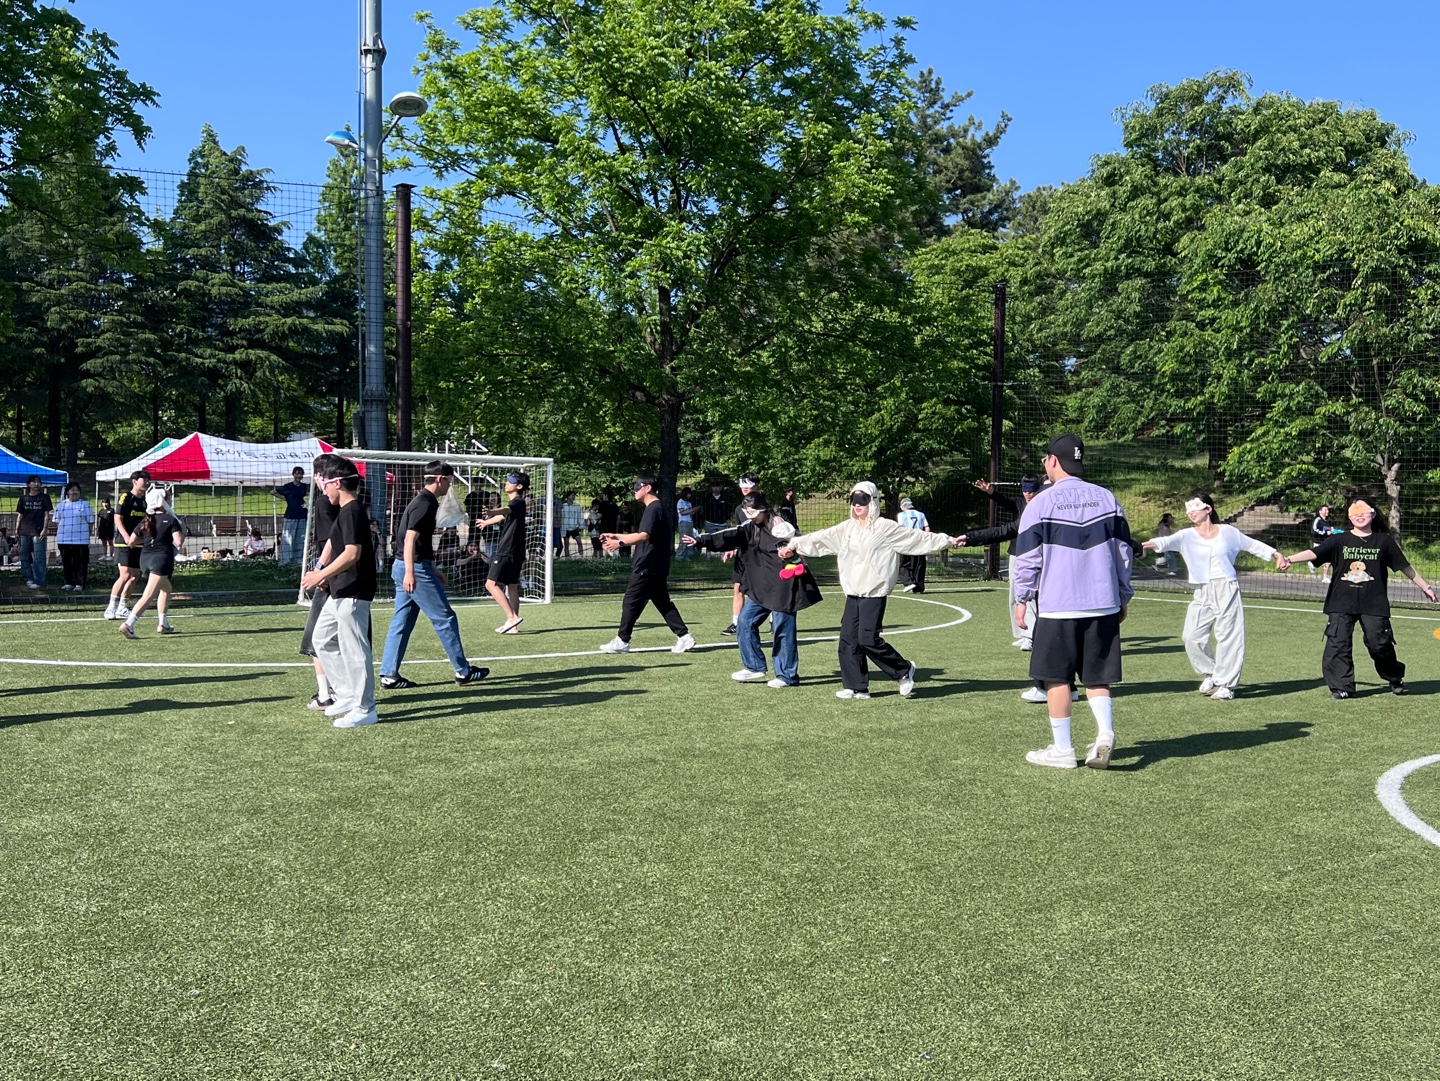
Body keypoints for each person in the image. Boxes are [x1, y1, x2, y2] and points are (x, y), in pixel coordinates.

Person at [1013, 434, 1132, 770]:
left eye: (1045, 459)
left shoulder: (1041, 503)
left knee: (1057, 678)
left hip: (1058, 605)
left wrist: (1022, 598)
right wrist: (1123, 594)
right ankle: (1105, 732)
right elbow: (1124, 552)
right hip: (1103, 602)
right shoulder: (1107, 498)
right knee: (1097, 677)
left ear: (1053, 461)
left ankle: (1063, 750)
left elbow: (1027, 558)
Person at [781, 481, 957, 699]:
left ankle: (903, 670)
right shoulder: (847, 528)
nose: (857, 505)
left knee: (867, 640)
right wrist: (794, 545)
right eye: (854, 501)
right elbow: (821, 538)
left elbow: (917, 538)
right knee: (848, 640)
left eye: (862, 501)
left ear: (872, 502)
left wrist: (947, 541)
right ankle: (856, 686)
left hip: (874, 591)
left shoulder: (885, 528)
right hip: (853, 591)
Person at [1141, 494, 1290, 700]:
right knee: (1191, 636)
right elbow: (1163, 542)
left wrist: (1277, 555)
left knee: (1229, 636)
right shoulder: (1186, 535)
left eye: (1195, 508)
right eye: (1188, 510)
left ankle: (1227, 685)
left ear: (1208, 509)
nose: (1191, 513)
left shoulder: (1228, 532)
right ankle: (1210, 672)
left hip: (1226, 587)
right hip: (1201, 590)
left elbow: (1253, 545)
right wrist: (1140, 546)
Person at [1284, 498, 1435, 699]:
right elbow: (1314, 552)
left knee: (1379, 645)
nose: (1359, 515)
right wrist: (1289, 559)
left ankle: (1394, 676)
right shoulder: (1339, 540)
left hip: (1374, 604)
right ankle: (1342, 687)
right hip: (1340, 602)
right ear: (1349, 517)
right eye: (1355, 512)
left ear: (1373, 514)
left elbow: (1405, 567)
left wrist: (1426, 587)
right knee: (1338, 644)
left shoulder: (1384, 541)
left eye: (1363, 511)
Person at [685, 491, 820, 687]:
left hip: (784, 587)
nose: (752, 517)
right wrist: (701, 541)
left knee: (783, 629)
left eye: (754, 513)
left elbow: (798, 548)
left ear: (764, 509)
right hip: (762, 587)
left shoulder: (780, 527)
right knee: (745, 621)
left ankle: (787, 676)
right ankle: (754, 666)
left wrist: (790, 550)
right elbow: (729, 535)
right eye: (748, 513)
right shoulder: (749, 528)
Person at [379, 461, 490, 690]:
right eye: (449, 481)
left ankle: (389, 675)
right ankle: (463, 671)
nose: (450, 486)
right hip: (412, 568)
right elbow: (409, 539)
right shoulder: (425, 503)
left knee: (402, 622)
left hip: (408, 566)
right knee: (445, 618)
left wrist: (433, 569)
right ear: (440, 479)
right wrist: (411, 573)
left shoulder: (423, 501)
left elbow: (418, 542)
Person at [301, 455, 379, 728]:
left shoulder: (352, 511)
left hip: (354, 589)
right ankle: (346, 694)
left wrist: (320, 574)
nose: (322, 489)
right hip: (341, 589)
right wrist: (321, 569)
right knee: (321, 639)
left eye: (324, 484)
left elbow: (352, 553)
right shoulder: (345, 511)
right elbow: (335, 546)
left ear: (337, 483)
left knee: (355, 650)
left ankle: (365, 708)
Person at [599, 473, 696, 655]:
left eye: (638, 486)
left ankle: (623, 640)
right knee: (662, 602)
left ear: (648, 488)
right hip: (655, 565)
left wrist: (619, 543)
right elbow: (642, 533)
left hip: (648, 565)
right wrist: (616, 535)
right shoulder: (654, 508)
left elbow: (644, 536)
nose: (635, 490)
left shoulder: (654, 508)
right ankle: (684, 636)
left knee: (631, 601)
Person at [973, 476, 1044, 646]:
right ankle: (1021, 633)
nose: (1028, 494)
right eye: (1025, 491)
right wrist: (990, 491)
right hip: (1016, 553)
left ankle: (1030, 635)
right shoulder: (1019, 504)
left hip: (1036, 555)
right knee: (1015, 593)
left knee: (1031, 594)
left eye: (1032, 491)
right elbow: (1004, 501)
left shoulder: (1044, 504)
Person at [118, 486, 184, 638]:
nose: (170, 501)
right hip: (161, 561)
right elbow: (179, 542)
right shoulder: (171, 520)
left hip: (145, 560)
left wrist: (151, 539)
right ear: (162, 501)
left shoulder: (146, 520)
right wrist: (183, 529)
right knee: (148, 595)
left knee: (166, 589)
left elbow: (131, 542)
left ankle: (163, 624)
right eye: (168, 498)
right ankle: (128, 624)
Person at [475, 471, 528, 633]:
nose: (507, 483)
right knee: (512, 586)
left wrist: (492, 511)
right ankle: (513, 626)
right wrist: (487, 522)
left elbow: (505, 510)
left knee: (490, 584)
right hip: (516, 551)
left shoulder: (518, 502)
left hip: (507, 550)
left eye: (511, 480)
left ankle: (511, 618)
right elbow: (504, 516)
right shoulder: (517, 505)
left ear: (519, 486)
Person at [105, 470, 150, 621]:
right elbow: (117, 518)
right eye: (144, 479)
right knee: (125, 574)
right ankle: (111, 607)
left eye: (148, 480)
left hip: (138, 543)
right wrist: (125, 536)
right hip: (123, 543)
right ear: (135, 481)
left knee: (135, 575)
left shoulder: (144, 502)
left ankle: (122, 607)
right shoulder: (126, 497)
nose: (147, 482)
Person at [722, 473, 760, 634]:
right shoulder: (739, 509)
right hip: (743, 555)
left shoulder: (763, 506)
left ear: (756, 486)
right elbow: (739, 532)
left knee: (763, 588)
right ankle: (736, 623)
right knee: (738, 588)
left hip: (760, 555)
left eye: (748, 485)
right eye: (742, 485)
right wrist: (731, 547)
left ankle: (774, 621)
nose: (745, 488)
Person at [52, 482, 96, 592]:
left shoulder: (85, 505)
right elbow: (57, 522)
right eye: (72, 490)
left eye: (77, 490)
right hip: (64, 539)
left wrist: (87, 535)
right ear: (67, 492)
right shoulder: (61, 505)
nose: (75, 492)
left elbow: (90, 522)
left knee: (80, 562)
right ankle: (69, 582)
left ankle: (79, 583)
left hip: (80, 540)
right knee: (67, 562)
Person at [15, 475, 53, 589]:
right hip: (24, 531)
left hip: (38, 531)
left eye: (38, 482)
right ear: (28, 484)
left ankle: (39, 581)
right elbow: (20, 515)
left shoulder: (44, 497)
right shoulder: (23, 498)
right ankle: (28, 579)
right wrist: (16, 530)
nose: (37, 484)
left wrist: (45, 529)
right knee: (24, 557)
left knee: (39, 557)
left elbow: (46, 515)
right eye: (34, 482)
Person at [272, 466, 309, 565]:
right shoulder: (288, 486)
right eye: (297, 473)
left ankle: (299, 561)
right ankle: (285, 561)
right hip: (290, 515)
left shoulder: (304, 486)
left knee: (300, 539)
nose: (299, 475)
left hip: (302, 515)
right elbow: (273, 492)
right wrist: (286, 499)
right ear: (293, 474)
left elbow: (306, 495)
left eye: (301, 473)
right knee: (288, 539)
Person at [895, 496, 932, 594]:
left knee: (902, 564)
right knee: (919, 565)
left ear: (903, 506)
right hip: (919, 542)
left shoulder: (901, 515)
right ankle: (918, 588)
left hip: (907, 542)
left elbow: (901, 528)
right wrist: (925, 538)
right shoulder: (921, 514)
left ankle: (908, 582)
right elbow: (927, 528)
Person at [1311, 505, 1335, 581]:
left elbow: (1329, 530)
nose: (1327, 511)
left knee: (1328, 561)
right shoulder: (1317, 520)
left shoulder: (1328, 521)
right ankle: (1311, 563)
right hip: (1318, 543)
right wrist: (1324, 533)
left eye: (1328, 510)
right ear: (1320, 511)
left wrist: (1332, 532)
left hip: (1326, 543)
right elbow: (1314, 530)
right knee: (1318, 558)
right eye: (1325, 510)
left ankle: (1325, 577)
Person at [560, 491, 585, 557]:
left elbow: (580, 516)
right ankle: (567, 558)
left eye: (574, 495)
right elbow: (561, 516)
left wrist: (581, 526)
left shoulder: (577, 506)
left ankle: (581, 556)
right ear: (568, 497)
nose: (574, 497)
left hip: (574, 527)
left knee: (579, 542)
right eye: (572, 495)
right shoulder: (563, 506)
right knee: (566, 544)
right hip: (566, 528)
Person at [674, 486, 696, 560]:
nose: (689, 495)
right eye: (688, 494)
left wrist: (694, 511)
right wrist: (691, 510)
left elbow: (691, 513)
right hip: (683, 522)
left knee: (689, 538)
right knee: (684, 539)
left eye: (690, 494)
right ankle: (679, 555)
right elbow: (682, 512)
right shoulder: (680, 501)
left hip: (690, 521)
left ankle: (687, 555)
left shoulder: (689, 503)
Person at [96, 497, 116, 561]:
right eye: (104, 502)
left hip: (109, 529)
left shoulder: (112, 510)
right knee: (104, 543)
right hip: (102, 529)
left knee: (110, 543)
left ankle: (111, 556)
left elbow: (115, 520)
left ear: (108, 503)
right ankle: (104, 555)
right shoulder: (101, 511)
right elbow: (99, 521)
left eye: (106, 502)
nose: (105, 504)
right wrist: (98, 529)